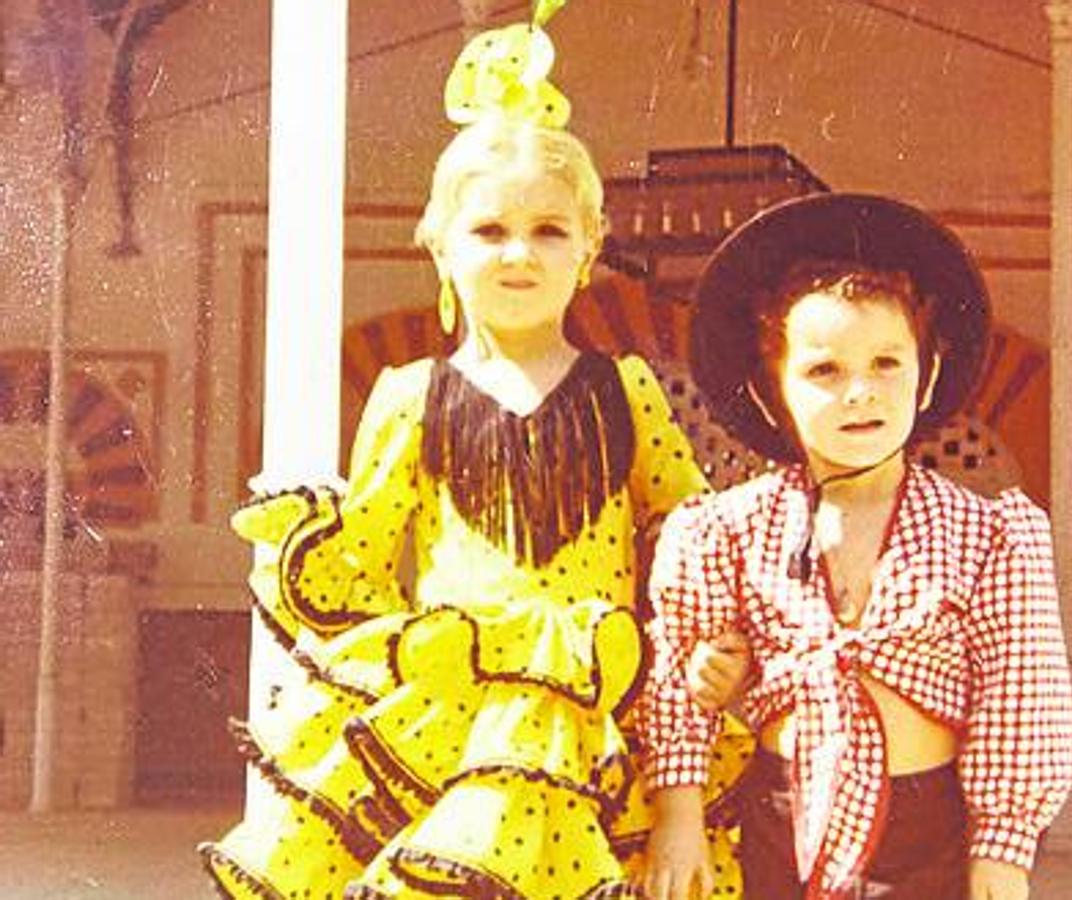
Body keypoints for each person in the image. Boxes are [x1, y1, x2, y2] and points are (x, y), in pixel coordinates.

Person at [199, 8, 750, 898]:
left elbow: (691, 544)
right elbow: (365, 562)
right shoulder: (409, 394)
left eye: (548, 231)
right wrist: (397, 656)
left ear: (590, 247)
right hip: (457, 708)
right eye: (490, 232)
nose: (519, 254)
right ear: (441, 247)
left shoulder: (629, 389)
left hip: (599, 708)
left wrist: (703, 647)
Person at [638, 192, 1072, 900]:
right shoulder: (727, 529)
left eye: (885, 364)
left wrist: (1003, 848)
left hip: (927, 832)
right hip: (781, 819)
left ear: (925, 373)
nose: (859, 394)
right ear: (775, 391)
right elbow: (681, 681)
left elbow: (1021, 699)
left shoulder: (989, 533)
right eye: (824, 371)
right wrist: (681, 812)